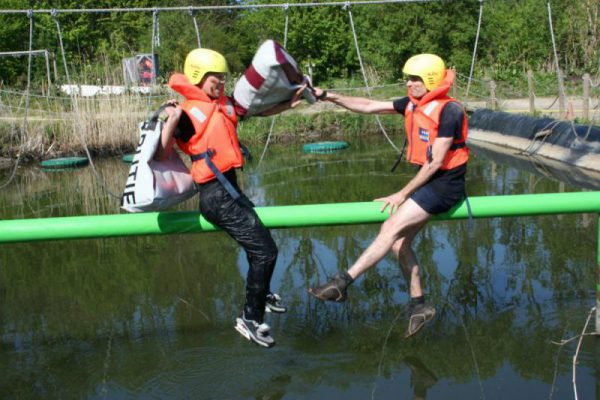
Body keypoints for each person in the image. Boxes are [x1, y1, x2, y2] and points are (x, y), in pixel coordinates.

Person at [309, 53, 468, 338]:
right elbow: (368, 105)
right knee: (399, 245)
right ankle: (419, 305)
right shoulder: (412, 103)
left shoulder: (450, 111)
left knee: (390, 227)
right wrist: (327, 96)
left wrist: (402, 193)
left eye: (414, 79)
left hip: (445, 186)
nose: (408, 83)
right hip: (429, 183)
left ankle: (341, 283)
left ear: (430, 80)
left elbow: (436, 162)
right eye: (408, 78)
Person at [155, 48, 306, 348]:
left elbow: (259, 110)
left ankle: (261, 294)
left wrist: (290, 103)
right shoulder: (184, 112)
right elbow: (161, 152)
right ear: (198, 77)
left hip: (230, 189)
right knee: (266, 251)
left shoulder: (222, 105)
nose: (221, 83)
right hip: (214, 195)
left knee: (258, 244)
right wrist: (170, 119)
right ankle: (249, 317)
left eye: (224, 77)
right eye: (215, 78)